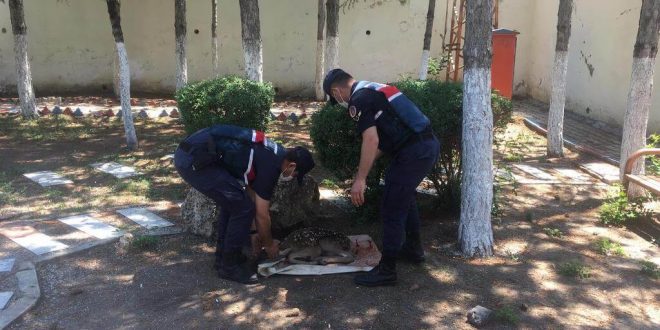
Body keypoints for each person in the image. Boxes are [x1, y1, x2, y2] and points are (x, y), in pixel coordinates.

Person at [323, 68, 440, 287]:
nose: (338, 101)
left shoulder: (358, 100)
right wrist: (362, 169)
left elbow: (371, 140)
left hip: (414, 152)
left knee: (392, 206)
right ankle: (413, 250)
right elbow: (382, 142)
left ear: (336, 90)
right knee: (404, 197)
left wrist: (360, 179)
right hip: (424, 145)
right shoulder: (371, 88)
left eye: (334, 97)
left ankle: (387, 271)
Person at [174, 124, 315, 284]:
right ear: (292, 166)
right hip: (193, 160)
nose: (293, 177)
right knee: (242, 208)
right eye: (296, 174)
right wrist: (269, 245)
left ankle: (223, 257)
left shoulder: (274, 153)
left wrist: (254, 233)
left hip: (194, 153)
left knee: (234, 203)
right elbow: (262, 215)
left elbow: (251, 192)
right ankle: (228, 268)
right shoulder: (271, 167)